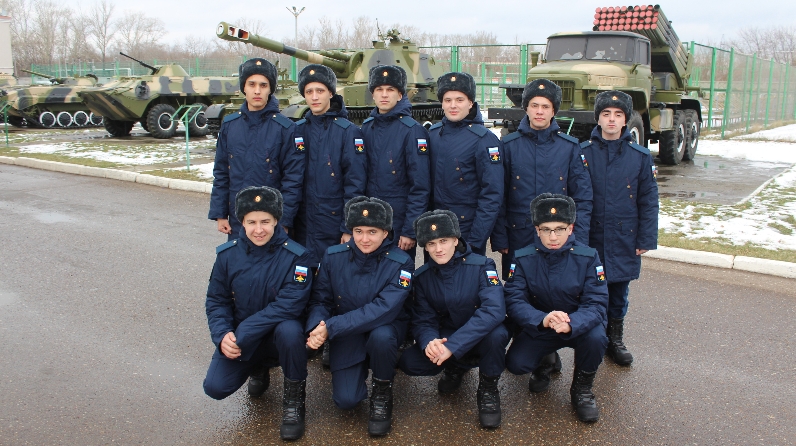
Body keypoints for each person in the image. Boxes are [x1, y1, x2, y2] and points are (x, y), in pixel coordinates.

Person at [203, 186, 314, 440]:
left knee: (290, 330)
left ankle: (294, 403)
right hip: (243, 339)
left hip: (275, 336)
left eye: (265, 221)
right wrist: (222, 335)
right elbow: (217, 300)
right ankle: (258, 367)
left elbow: (290, 304)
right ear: (242, 222)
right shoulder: (227, 255)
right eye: (251, 222)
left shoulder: (298, 256)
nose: (259, 229)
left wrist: (244, 332)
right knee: (215, 387)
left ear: (276, 220)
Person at [305, 196, 414, 437]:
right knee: (346, 400)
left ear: (385, 232)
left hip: (383, 327)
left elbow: (383, 309)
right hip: (347, 332)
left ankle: (382, 392)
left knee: (382, 337)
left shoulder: (401, 262)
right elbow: (321, 300)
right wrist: (317, 326)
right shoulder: (333, 256)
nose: (364, 239)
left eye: (372, 232)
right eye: (358, 231)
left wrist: (331, 327)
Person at [398, 210, 509, 428]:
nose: (438, 249)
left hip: (480, 335)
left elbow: (494, 310)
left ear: (455, 240)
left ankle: (488, 389)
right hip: (447, 335)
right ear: (425, 247)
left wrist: (454, 346)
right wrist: (430, 341)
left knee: (497, 335)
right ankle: (456, 367)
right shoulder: (422, 277)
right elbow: (423, 319)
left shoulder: (482, 266)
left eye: (444, 241)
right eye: (431, 244)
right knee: (409, 362)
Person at [503, 193, 608, 423]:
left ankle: (582, 390)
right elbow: (513, 299)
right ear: (537, 230)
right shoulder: (523, 258)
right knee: (516, 364)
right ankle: (545, 361)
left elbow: (597, 302)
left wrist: (572, 323)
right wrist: (543, 319)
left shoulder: (588, 257)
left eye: (559, 229)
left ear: (570, 229)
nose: (553, 236)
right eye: (546, 229)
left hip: (579, 325)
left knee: (597, 338)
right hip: (542, 324)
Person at [579, 91, 659, 366]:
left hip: (624, 236)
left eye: (618, 115)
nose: (611, 120)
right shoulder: (583, 153)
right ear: (598, 119)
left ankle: (615, 339)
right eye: (606, 114)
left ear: (626, 120)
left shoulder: (640, 156)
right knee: (590, 289)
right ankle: (592, 337)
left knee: (618, 292)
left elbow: (648, 201)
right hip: (591, 235)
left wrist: (645, 238)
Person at [491, 78, 592, 278]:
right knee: (517, 290)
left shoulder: (569, 148)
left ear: (553, 111)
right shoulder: (508, 146)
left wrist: (578, 237)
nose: (539, 111)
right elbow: (498, 196)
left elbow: (583, 197)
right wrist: (500, 237)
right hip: (518, 236)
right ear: (526, 108)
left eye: (545, 107)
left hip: (559, 239)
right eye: (534, 105)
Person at [209, 58, 304, 241]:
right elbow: (221, 173)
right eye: (251, 84)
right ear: (244, 87)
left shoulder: (285, 129)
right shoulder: (230, 125)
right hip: (238, 218)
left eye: (263, 85)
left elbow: (293, 179)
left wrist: (284, 220)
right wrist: (220, 214)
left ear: (271, 89)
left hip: (271, 222)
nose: (257, 91)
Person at [292, 63, 367, 266]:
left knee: (332, 274)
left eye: (320, 91)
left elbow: (355, 183)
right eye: (309, 92)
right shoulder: (297, 131)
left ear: (331, 93)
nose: (314, 97)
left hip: (332, 223)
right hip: (302, 223)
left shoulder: (348, 132)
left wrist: (348, 226)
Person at [427, 72, 504, 255]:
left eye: (460, 100)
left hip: (467, 230)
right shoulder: (433, 135)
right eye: (448, 100)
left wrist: (475, 240)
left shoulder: (484, 140)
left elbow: (492, 194)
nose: (453, 105)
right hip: (436, 227)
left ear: (470, 103)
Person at [361, 65, 430, 260]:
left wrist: (410, 229)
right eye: (379, 89)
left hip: (398, 223)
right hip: (369, 220)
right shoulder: (366, 128)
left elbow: (420, 186)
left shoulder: (412, 131)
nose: (384, 95)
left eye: (390, 89)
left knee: (398, 272)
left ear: (400, 95)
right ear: (373, 94)